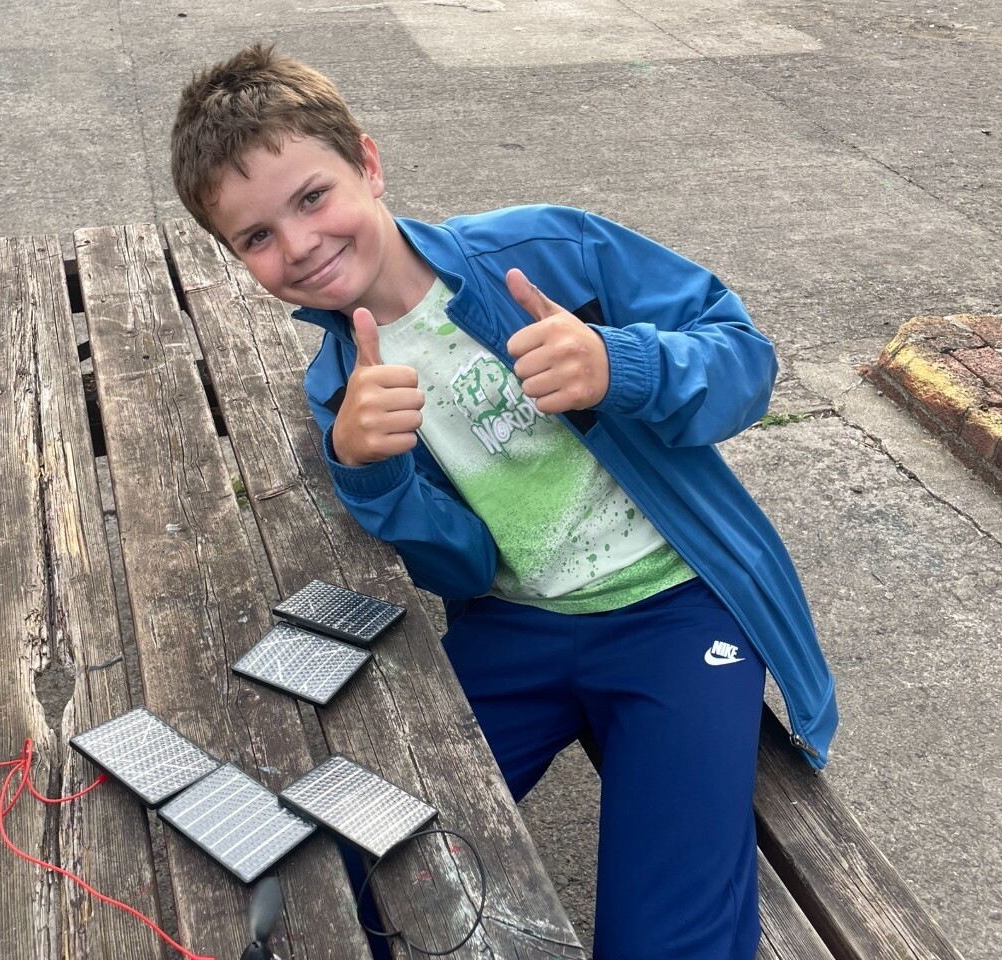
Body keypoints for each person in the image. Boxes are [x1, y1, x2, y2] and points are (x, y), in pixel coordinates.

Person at [170, 43, 837, 960]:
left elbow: (744, 359)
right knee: (336, 872)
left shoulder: (545, 251)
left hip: (682, 611)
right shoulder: (340, 387)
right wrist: (367, 472)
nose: (298, 246)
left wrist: (621, 366)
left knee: (668, 935)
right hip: (516, 631)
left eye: (312, 196)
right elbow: (465, 567)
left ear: (367, 162)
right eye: (256, 237)